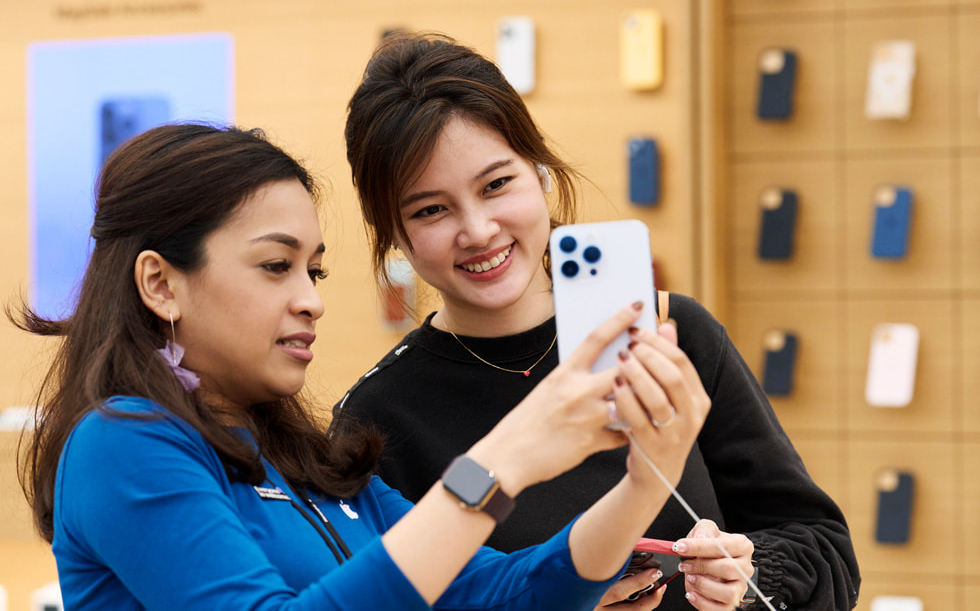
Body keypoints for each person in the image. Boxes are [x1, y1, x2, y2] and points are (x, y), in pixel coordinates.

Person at [11, 122, 713, 610]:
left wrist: (641, 483)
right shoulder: (123, 442)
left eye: (313, 270)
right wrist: (507, 457)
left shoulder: (307, 458)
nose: (311, 300)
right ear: (161, 283)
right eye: (276, 266)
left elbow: (505, 591)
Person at [335, 32, 861, 610]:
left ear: (540, 173)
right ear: (396, 234)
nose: (479, 229)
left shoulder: (671, 332)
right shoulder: (375, 417)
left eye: (496, 184)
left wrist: (747, 576)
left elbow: (826, 552)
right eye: (431, 209)